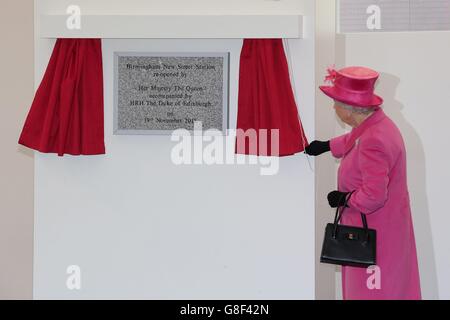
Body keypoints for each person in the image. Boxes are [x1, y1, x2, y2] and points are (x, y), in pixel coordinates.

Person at [306, 66, 421, 300]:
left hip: (374, 238)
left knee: (373, 294)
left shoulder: (374, 139)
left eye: (336, 102)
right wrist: (327, 145)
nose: (334, 107)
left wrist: (344, 198)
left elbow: (374, 195)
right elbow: (354, 140)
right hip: (381, 232)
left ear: (351, 109)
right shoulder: (376, 126)